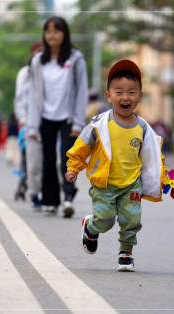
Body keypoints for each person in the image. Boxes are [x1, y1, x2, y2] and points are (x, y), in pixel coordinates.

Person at [65, 59, 167, 272]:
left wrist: (162, 176)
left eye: (131, 92)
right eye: (118, 92)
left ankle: (126, 254)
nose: (125, 97)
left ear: (139, 96)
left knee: (132, 220)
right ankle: (91, 227)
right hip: (105, 184)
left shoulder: (143, 128)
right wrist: (74, 168)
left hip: (131, 184)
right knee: (105, 220)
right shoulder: (99, 124)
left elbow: (154, 157)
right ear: (108, 96)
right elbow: (80, 147)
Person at [28, 17, 88, 217]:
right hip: (45, 117)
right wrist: (32, 126)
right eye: (48, 32)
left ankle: (68, 198)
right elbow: (33, 94)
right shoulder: (38, 61)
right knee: (47, 159)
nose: (51, 35)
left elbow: (81, 91)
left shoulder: (75, 59)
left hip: (68, 118)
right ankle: (50, 200)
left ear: (65, 34)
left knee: (67, 159)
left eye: (56, 31)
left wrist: (79, 122)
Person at [15, 41, 44, 210]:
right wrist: (22, 119)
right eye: (36, 51)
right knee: (33, 162)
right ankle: (34, 193)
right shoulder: (23, 74)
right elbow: (19, 99)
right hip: (29, 122)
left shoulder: (48, 71)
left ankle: (47, 192)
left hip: (47, 122)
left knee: (51, 161)